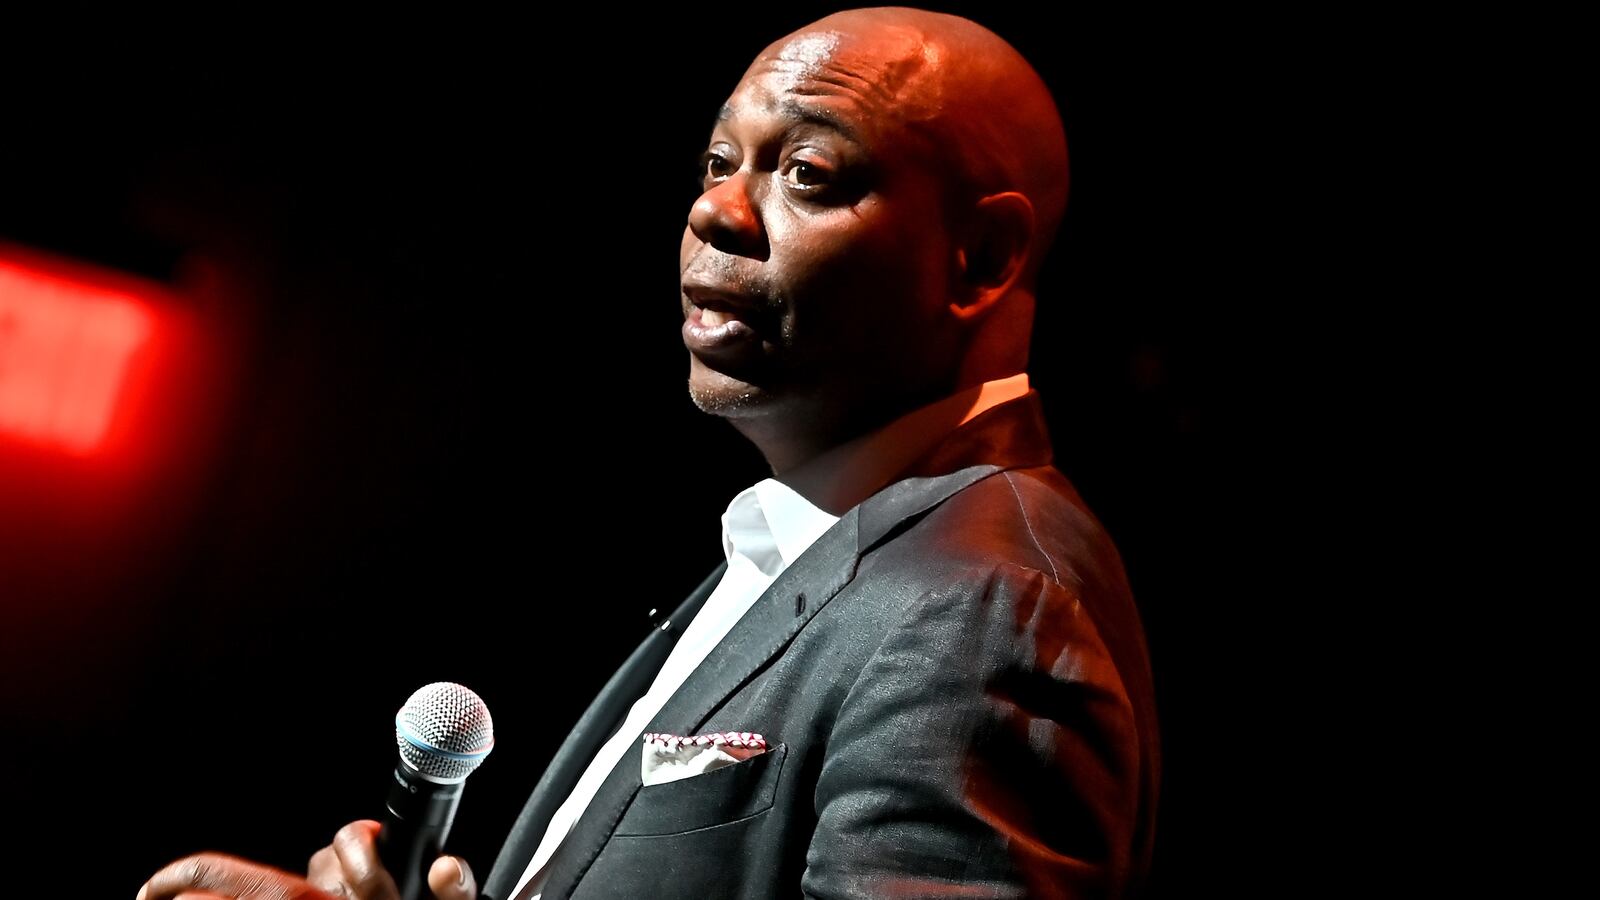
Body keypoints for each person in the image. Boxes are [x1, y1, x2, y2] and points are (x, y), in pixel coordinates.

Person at [140, 7, 1159, 899]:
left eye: (806, 172)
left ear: (979, 258)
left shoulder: (982, 611)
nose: (714, 212)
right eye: (719, 163)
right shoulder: (834, 550)